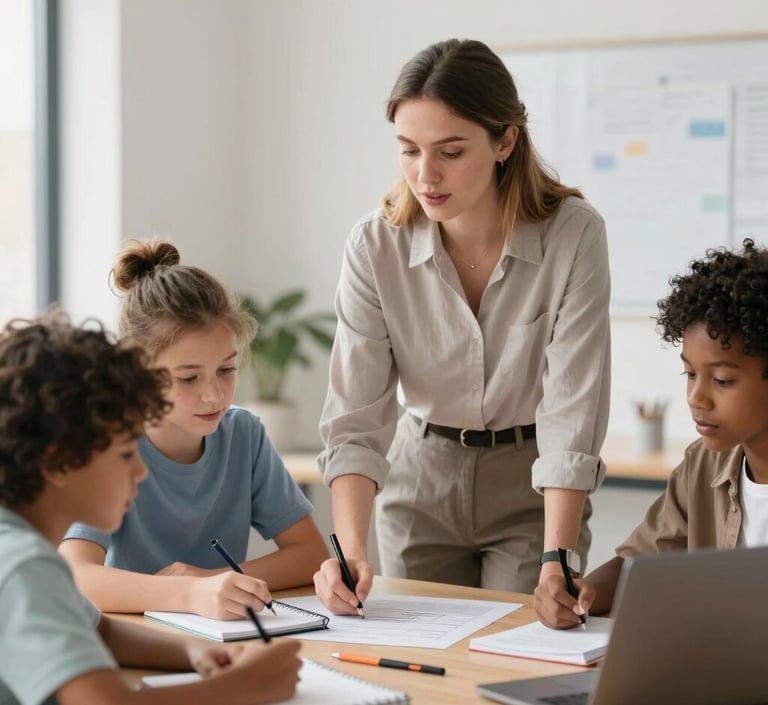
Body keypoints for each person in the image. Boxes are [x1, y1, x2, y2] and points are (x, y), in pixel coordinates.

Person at [314, 38, 611, 614]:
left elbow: (574, 405)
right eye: (408, 150)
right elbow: (356, 413)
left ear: (504, 140)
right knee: (423, 671)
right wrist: (348, 549)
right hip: (419, 477)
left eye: (450, 151)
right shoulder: (375, 246)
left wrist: (559, 558)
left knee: (518, 657)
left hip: (530, 484)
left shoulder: (573, 236)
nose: (425, 175)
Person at [0, 310, 301, 705]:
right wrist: (242, 689)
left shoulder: (24, 551)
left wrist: (191, 652)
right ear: (59, 463)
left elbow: (96, 629)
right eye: (126, 454)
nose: (142, 471)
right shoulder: (22, 566)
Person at [59, 239, 327, 619]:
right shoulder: (106, 442)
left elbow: (311, 555)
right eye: (188, 378)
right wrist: (187, 593)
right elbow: (76, 576)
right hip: (130, 637)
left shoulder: (244, 435)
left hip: (221, 638)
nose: (214, 394)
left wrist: (212, 580)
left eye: (226, 370)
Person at [535, 238, 768, 628]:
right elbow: (638, 564)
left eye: (723, 380)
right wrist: (578, 593)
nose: (696, 397)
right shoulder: (702, 464)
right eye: (690, 374)